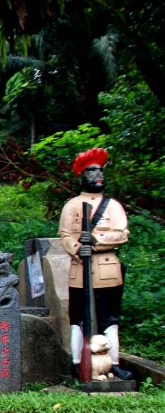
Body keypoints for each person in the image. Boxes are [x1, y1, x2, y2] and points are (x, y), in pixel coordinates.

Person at [58, 147, 132, 380]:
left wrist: (98, 239)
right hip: (80, 269)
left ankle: (114, 362)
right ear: (82, 176)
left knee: (110, 320)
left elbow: (122, 234)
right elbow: (65, 234)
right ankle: (78, 362)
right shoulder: (72, 205)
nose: (97, 175)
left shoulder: (113, 206)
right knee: (78, 320)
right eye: (91, 171)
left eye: (100, 171)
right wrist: (79, 248)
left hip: (108, 269)